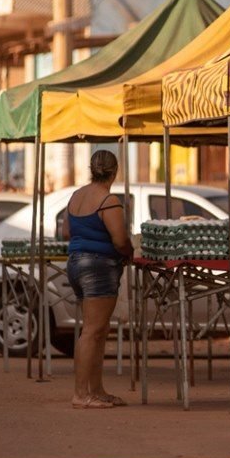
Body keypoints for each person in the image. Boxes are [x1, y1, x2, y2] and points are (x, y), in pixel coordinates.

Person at [62, 150, 133, 409]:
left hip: (76, 264)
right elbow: (120, 239)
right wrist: (129, 252)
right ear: (114, 172)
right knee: (92, 331)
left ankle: (97, 390)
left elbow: (66, 231)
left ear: (91, 169)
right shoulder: (108, 201)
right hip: (99, 267)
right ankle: (81, 394)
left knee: (98, 330)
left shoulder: (76, 196)